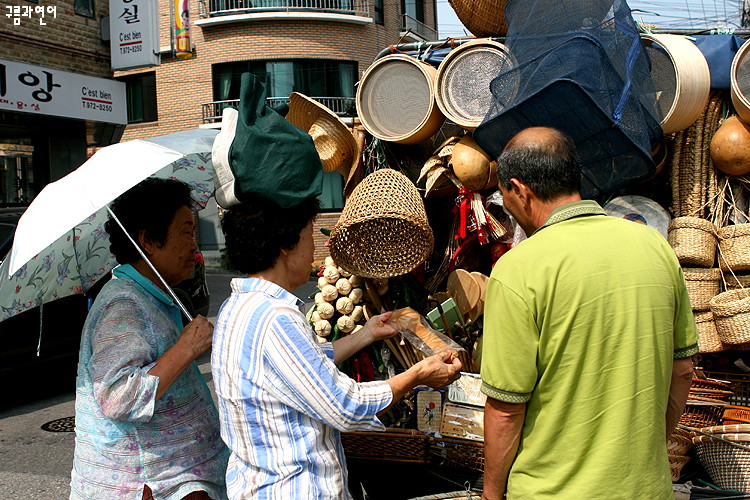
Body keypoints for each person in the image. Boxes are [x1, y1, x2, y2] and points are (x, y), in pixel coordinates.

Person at [480, 127, 698, 500]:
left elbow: (505, 409)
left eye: (505, 197)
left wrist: (490, 494)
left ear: (520, 190)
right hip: (646, 489)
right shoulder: (654, 246)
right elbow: (683, 368)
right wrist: (647, 446)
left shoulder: (518, 269)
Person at [212, 194, 462, 500]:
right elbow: (344, 406)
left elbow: (300, 367)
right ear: (286, 246)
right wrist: (417, 375)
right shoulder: (275, 318)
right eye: (309, 237)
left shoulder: (237, 306)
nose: (314, 249)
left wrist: (366, 334)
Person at [70, 178, 229, 500]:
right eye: (186, 231)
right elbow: (118, 396)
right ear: (149, 240)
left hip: (178, 476)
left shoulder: (151, 296)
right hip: (149, 483)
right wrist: (187, 347)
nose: (195, 245)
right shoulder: (123, 305)